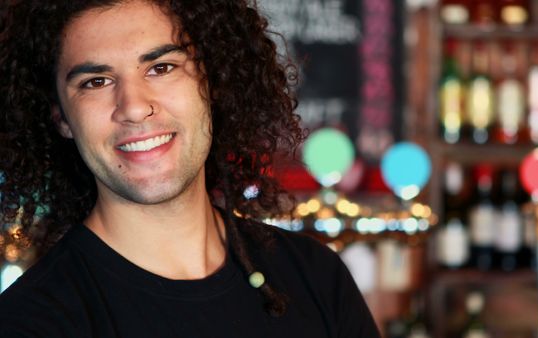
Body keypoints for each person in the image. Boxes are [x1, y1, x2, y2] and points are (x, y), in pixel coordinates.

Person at [0, 1, 381, 337]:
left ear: (211, 81)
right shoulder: (31, 321)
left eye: (161, 67)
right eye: (96, 81)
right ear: (61, 118)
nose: (133, 106)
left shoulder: (316, 278)